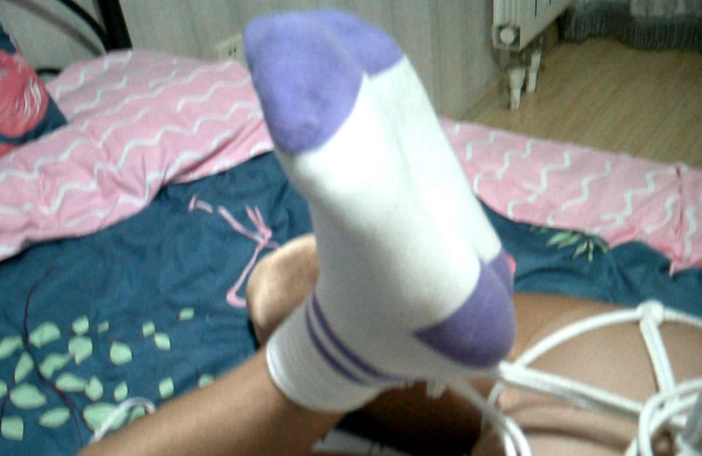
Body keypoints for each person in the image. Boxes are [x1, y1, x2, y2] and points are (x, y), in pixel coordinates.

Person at [78, 10, 702, 456]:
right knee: (277, 296)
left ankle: (343, 339)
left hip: (637, 386)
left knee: (320, 321)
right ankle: (368, 316)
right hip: (664, 368)